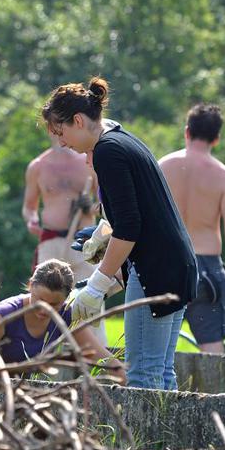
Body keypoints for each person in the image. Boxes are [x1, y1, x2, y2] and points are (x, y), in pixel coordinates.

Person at [43, 77, 197, 390]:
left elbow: (129, 228)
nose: (62, 143)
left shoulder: (108, 152)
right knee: (162, 371)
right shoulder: (121, 139)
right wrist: (100, 235)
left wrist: (96, 286)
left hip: (155, 271)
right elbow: (134, 218)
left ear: (78, 121)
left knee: (142, 375)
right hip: (177, 265)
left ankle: (145, 428)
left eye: (61, 133)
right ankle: (166, 426)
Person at [159, 104, 225, 353]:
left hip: (166, 262)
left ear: (187, 131)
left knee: (157, 343)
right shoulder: (224, 177)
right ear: (217, 138)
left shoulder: (162, 166)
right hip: (206, 269)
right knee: (212, 348)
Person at [0, 259, 125, 383]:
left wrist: (131, 384)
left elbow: (102, 358)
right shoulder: (3, 316)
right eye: (40, 301)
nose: (44, 310)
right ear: (30, 285)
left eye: (54, 305)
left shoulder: (66, 315)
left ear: (66, 298)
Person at [22, 136, 105, 344]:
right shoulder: (38, 166)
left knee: (90, 298)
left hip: (85, 242)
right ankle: (45, 351)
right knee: (44, 298)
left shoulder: (88, 162)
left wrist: (90, 207)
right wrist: (32, 221)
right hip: (51, 242)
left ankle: (95, 353)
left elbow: (107, 205)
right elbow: (29, 207)